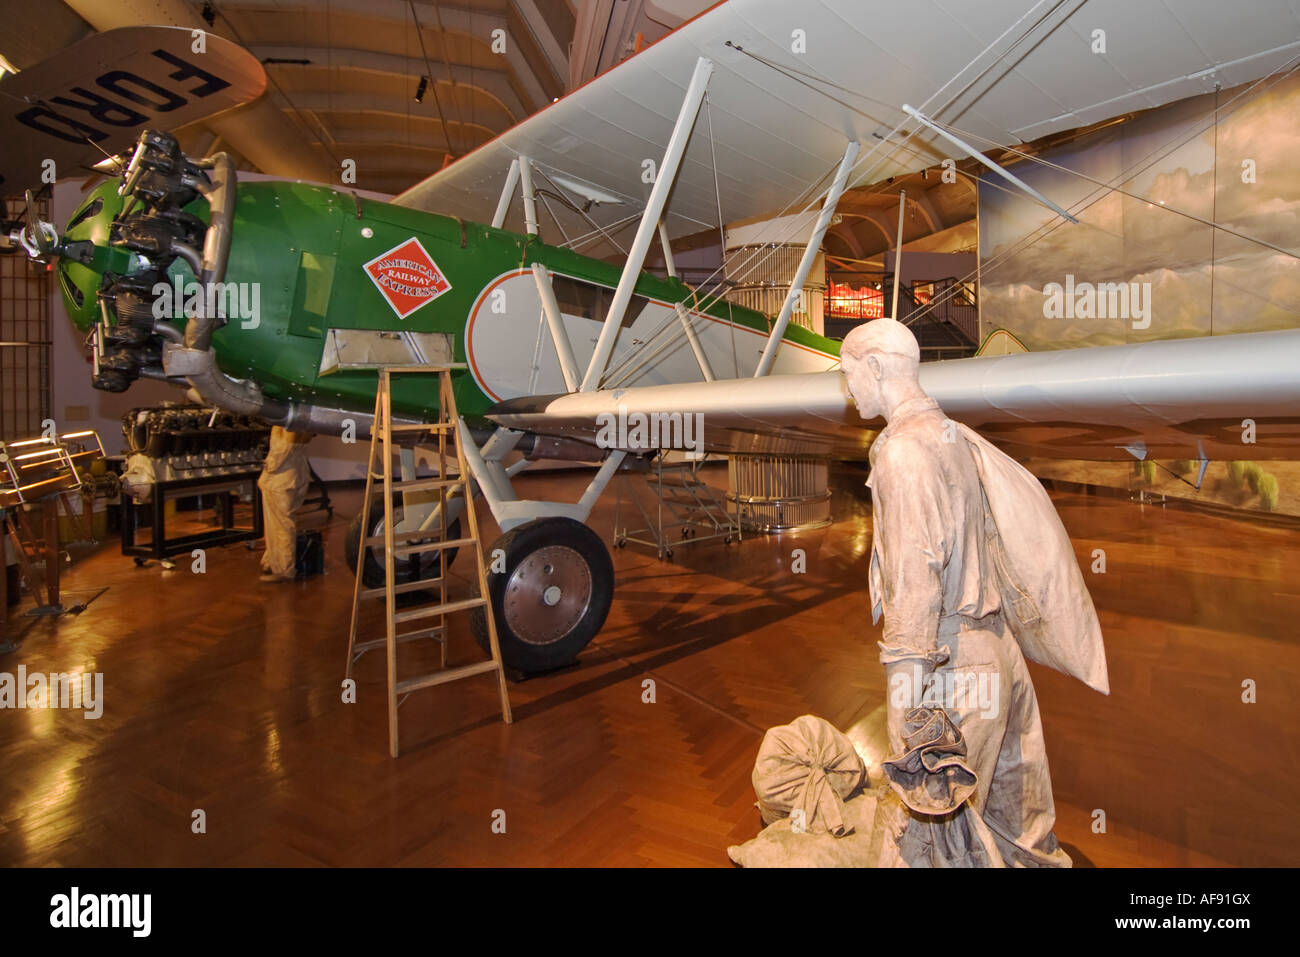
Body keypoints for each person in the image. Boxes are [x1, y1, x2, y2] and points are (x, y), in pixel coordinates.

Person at [840, 317, 1106, 867]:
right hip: (1000, 657)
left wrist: (905, 702)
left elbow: (915, 585)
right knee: (1015, 821)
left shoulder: (904, 454)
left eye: (848, 374)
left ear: (874, 366)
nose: (848, 389)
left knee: (936, 842)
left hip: (953, 668)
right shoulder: (952, 435)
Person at [257, 426, 313, 583]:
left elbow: (283, 448)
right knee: (283, 523)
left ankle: (284, 569)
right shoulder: (303, 421)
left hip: (281, 480)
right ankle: (271, 560)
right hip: (297, 476)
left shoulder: (285, 421)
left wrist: (268, 465)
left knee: (281, 525)